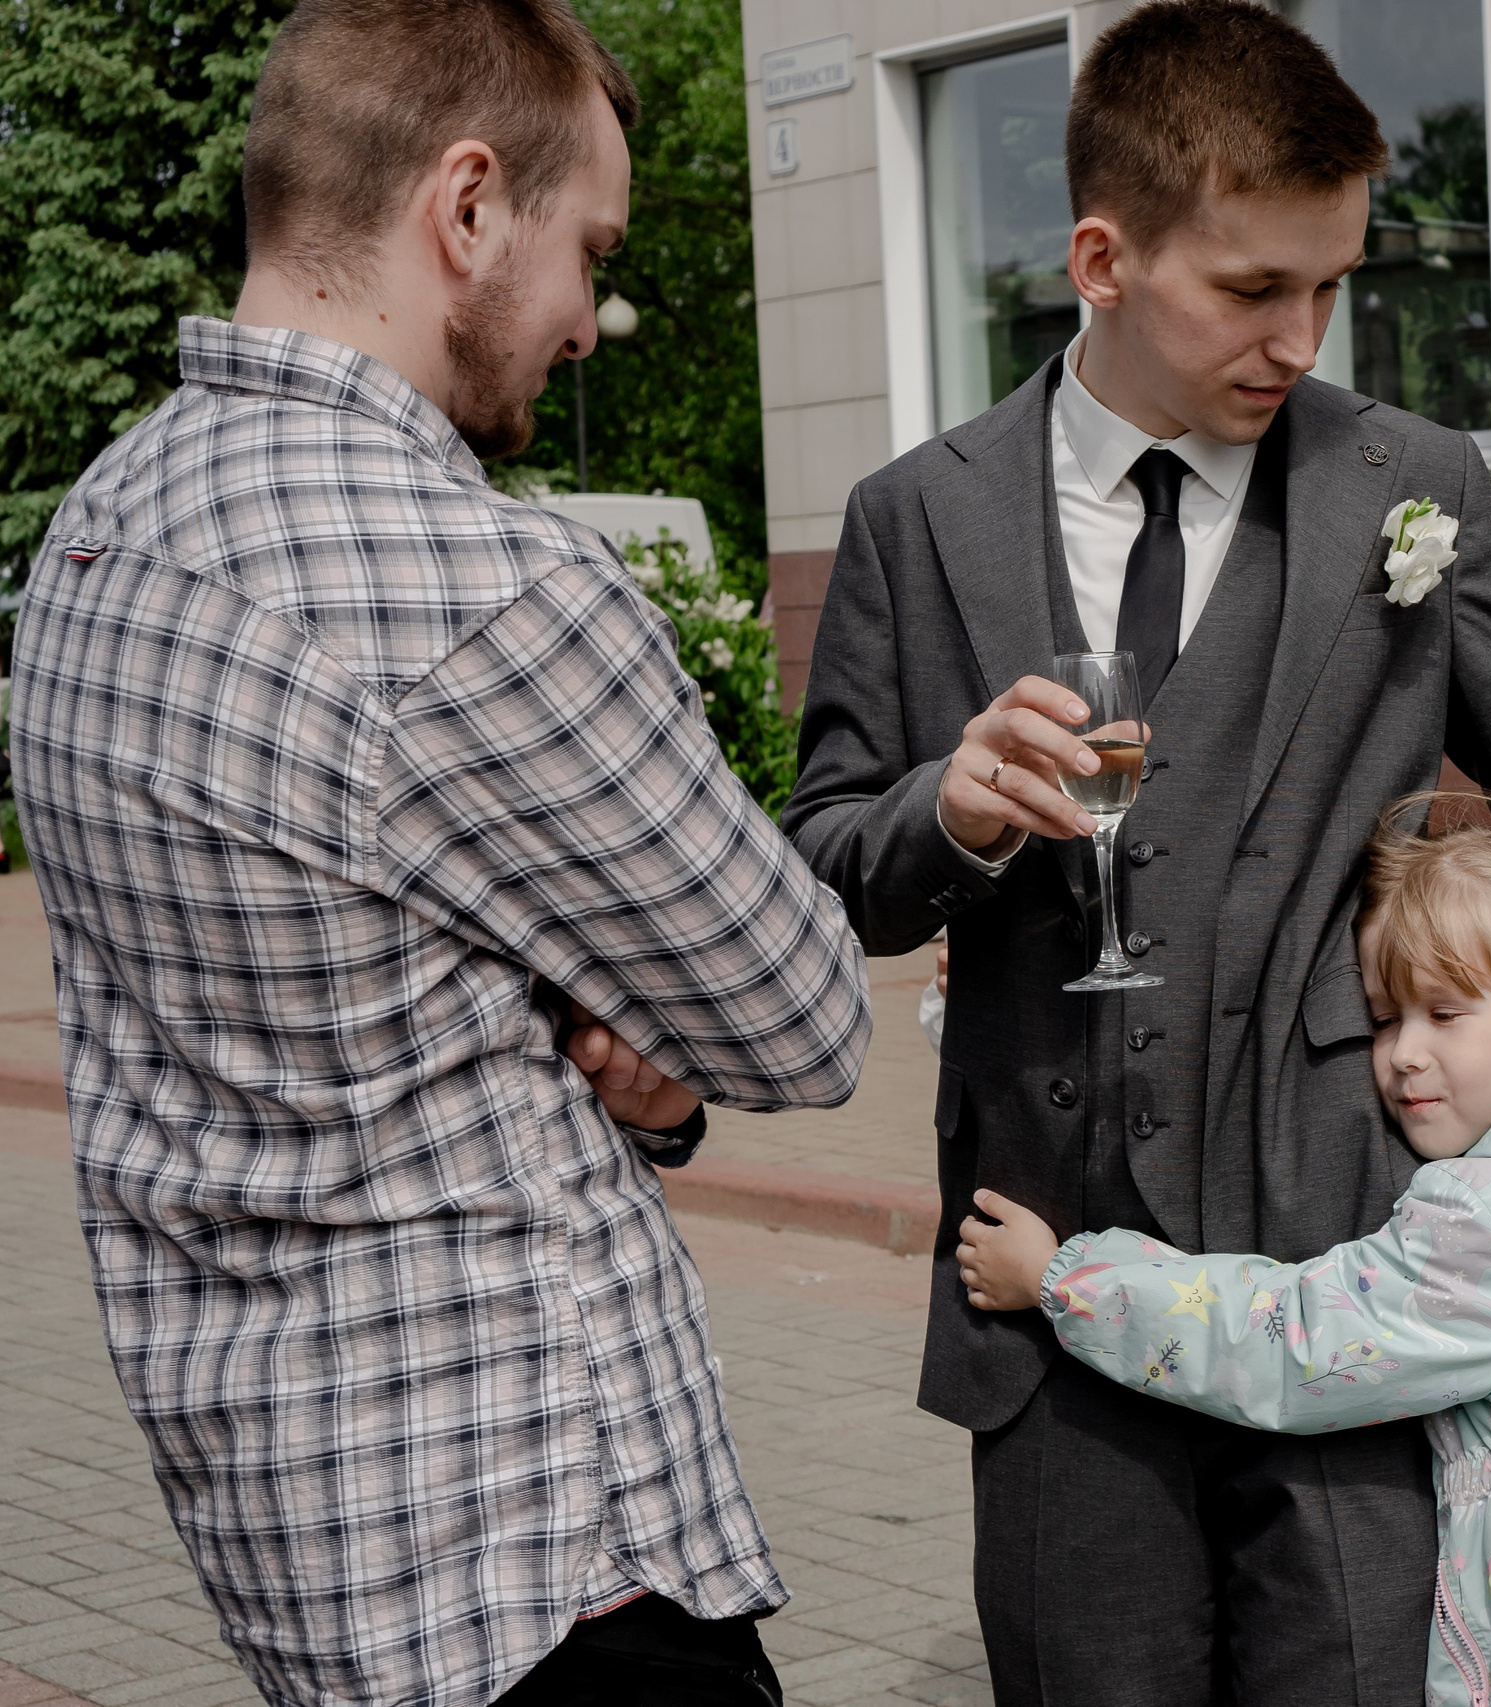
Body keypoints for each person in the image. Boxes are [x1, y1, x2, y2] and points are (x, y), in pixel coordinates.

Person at [781, 3, 1491, 1697]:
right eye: (1252, 288)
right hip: (1053, 1311)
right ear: (1103, 254)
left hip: (1358, 1301)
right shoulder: (913, 519)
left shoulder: (1414, 483)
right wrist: (946, 807)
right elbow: (826, 861)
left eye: (1332, 286)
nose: (1301, 334)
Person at [12, 2, 873, 1702]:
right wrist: (652, 1057)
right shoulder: (481, 592)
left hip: (305, 1563)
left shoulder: (95, 533)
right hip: (548, 1577)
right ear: (467, 209)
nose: (592, 321)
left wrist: (627, 1065)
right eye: (591, 253)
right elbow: (808, 1017)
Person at [954, 813, 1491, 1707]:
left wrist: (1065, 1279)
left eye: (1445, 1013)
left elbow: (1293, 1341)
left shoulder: (1484, 1213)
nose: (1403, 1053)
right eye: (1384, 1017)